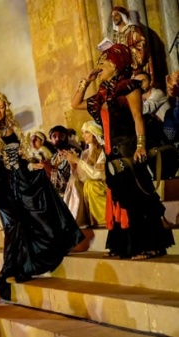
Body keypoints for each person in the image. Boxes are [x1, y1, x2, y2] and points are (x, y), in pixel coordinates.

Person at [71, 43, 175, 259]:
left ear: (115, 65)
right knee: (120, 197)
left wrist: (140, 146)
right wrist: (86, 81)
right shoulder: (103, 94)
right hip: (111, 151)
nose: (98, 66)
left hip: (128, 148)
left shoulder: (129, 87)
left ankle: (148, 245)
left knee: (136, 197)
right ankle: (126, 245)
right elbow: (75, 104)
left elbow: (138, 117)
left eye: (103, 62)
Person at [0, 92, 84, 301]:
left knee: (30, 216)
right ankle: (4, 275)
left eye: (1, 107)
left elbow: (20, 156)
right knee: (14, 225)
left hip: (17, 180)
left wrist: (31, 164)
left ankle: (22, 268)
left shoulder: (12, 127)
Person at [62, 122, 107, 227]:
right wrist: (73, 165)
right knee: (76, 183)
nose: (83, 135)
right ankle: (78, 220)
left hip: (104, 182)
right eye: (83, 133)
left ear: (95, 133)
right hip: (91, 181)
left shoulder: (103, 151)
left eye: (86, 132)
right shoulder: (86, 153)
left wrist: (78, 161)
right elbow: (83, 177)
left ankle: (102, 220)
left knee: (91, 185)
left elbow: (97, 175)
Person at [110, 6, 152, 79]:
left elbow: (141, 46)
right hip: (121, 70)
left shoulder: (133, 30)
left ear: (123, 15)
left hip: (134, 68)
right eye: (112, 16)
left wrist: (126, 53)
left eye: (116, 15)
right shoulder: (115, 36)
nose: (114, 18)